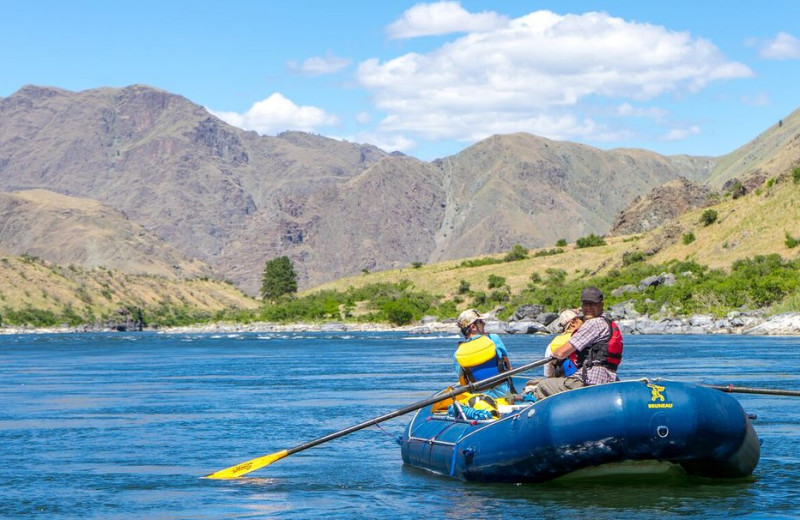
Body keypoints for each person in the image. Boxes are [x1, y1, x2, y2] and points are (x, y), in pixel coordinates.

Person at [533, 287, 623, 400]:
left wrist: (554, 355)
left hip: (590, 380)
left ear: (601, 305)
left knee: (543, 385)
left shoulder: (594, 323)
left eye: (592, 304)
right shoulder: (607, 323)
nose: (588, 308)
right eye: (585, 304)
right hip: (609, 378)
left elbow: (561, 353)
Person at [453, 309, 513, 399]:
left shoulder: (457, 354)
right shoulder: (493, 339)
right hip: (504, 395)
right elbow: (508, 368)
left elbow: (463, 385)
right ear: (473, 327)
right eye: (480, 322)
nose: (484, 324)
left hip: (480, 400)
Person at [543, 309, 583, 378]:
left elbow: (548, 374)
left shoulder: (553, 344)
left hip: (565, 380)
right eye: (581, 319)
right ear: (572, 323)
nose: (583, 321)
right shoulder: (587, 336)